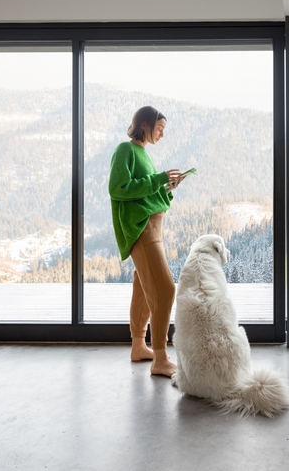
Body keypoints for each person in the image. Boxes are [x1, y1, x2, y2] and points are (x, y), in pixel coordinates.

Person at [108, 106, 184, 376]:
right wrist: (157, 180)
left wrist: (167, 188)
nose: (162, 134)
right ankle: (161, 357)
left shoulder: (144, 155)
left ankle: (139, 346)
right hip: (142, 230)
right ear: (145, 124)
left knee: (143, 289)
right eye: (159, 128)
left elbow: (148, 191)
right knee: (165, 290)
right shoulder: (125, 151)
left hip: (153, 226)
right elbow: (119, 189)